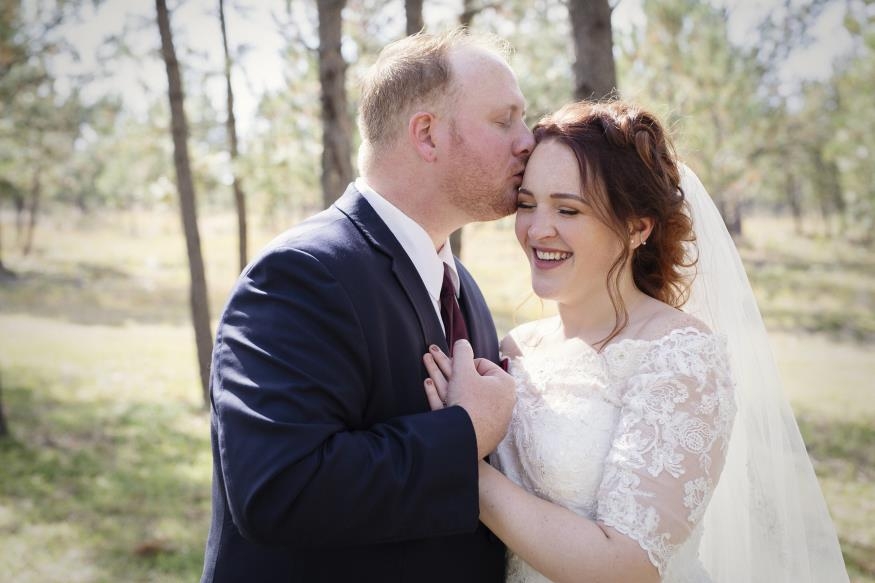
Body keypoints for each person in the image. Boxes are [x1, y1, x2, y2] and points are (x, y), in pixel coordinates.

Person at [423, 100, 849, 582]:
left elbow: (627, 566)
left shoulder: (680, 356)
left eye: (568, 209)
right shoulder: (516, 348)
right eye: (527, 204)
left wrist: (462, 462)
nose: (538, 229)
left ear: (636, 228)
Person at [200, 28, 533, 583]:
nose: (528, 140)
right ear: (426, 135)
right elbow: (279, 489)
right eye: (506, 121)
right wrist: (464, 432)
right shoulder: (300, 275)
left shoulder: (462, 286)